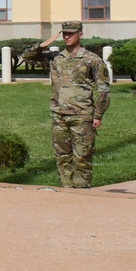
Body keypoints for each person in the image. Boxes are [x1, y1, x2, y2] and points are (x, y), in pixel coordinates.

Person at [22, 20, 110, 188]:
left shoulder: (92, 59)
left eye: (71, 33)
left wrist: (98, 115)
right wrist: (41, 45)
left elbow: (104, 90)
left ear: (80, 34)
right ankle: (67, 192)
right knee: (62, 157)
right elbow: (27, 57)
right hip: (59, 115)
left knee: (82, 159)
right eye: (65, 33)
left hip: (82, 116)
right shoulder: (55, 58)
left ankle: (82, 193)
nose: (67, 36)